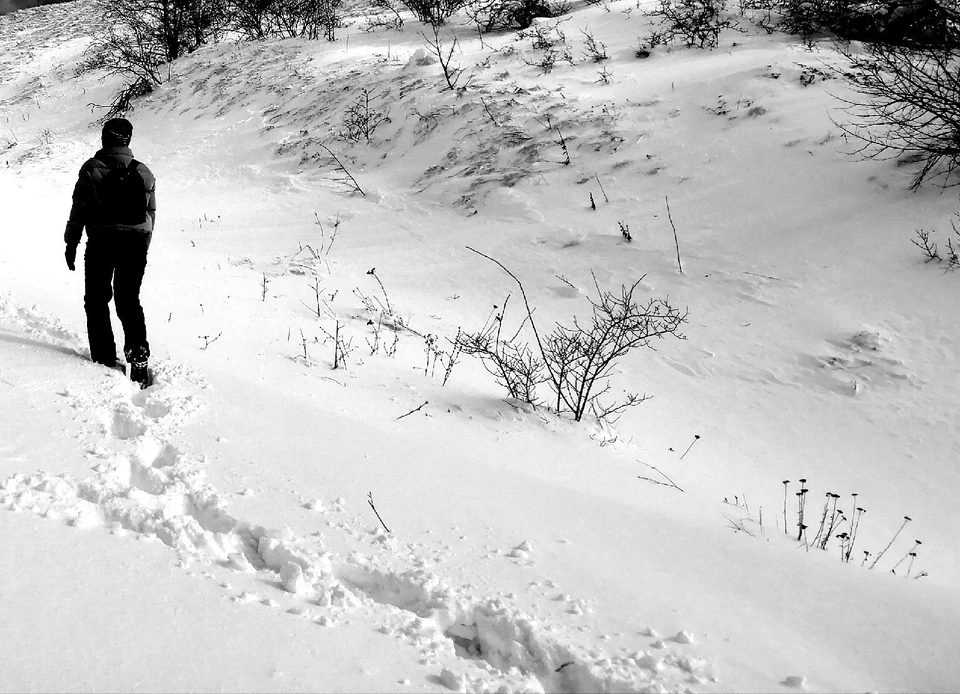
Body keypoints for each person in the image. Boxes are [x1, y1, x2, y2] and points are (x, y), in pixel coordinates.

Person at [64, 117, 156, 387]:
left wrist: (71, 244)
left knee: (96, 299)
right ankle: (138, 349)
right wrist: (143, 246)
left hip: (102, 240)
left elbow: (78, 209)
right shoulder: (144, 172)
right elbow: (150, 216)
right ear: (128, 140)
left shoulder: (92, 168)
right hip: (135, 242)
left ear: (105, 138)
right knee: (128, 299)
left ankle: (105, 359)